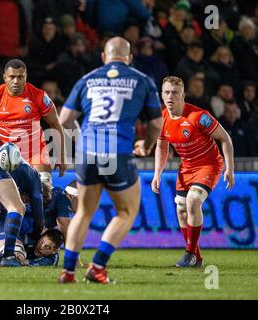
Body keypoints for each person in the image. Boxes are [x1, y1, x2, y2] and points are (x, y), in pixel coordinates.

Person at [58, 37, 162, 284]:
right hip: (116, 153)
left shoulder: (87, 79)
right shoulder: (142, 80)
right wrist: (146, 146)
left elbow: (63, 120)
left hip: (87, 153)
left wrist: (83, 138)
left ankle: (68, 272)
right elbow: (157, 124)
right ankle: (98, 266)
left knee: (83, 212)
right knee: (126, 211)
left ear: (104, 57)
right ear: (129, 57)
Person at [151, 76, 235, 268]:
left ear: (183, 95)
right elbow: (162, 147)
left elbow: (225, 139)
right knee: (181, 210)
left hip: (209, 165)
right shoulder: (162, 118)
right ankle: (196, 257)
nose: (170, 96)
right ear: (162, 95)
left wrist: (229, 168)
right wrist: (157, 173)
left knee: (193, 201)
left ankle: (189, 254)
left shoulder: (198, 116)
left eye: (175, 92)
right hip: (186, 167)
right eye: (166, 92)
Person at [0, 58, 67, 186]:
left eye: (20, 77)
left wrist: (61, 155)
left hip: (35, 152)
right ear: (5, 77)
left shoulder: (39, 96)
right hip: (5, 152)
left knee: (45, 189)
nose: (16, 81)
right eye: (12, 77)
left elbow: (55, 123)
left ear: (26, 77)